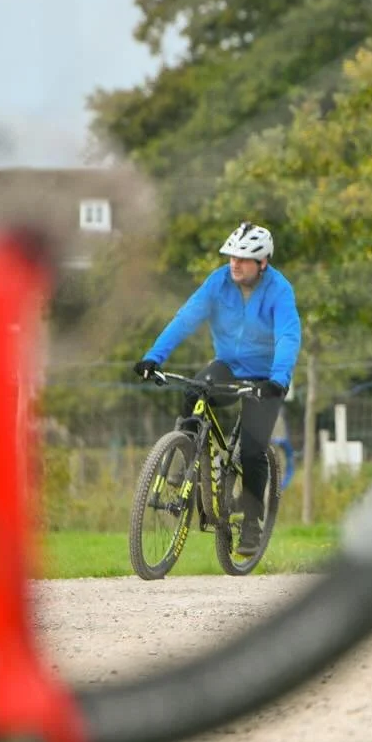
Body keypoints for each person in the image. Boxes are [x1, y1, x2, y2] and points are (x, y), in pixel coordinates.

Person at [133, 222, 302, 556]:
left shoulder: (280, 291)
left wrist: (278, 379)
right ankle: (186, 452)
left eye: (243, 258)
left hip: (267, 377)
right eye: (231, 257)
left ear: (263, 262)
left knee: (253, 452)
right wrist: (154, 356)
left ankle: (251, 527)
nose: (235, 264)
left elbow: (288, 336)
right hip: (228, 366)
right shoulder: (218, 283)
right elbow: (186, 318)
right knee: (194, 391)